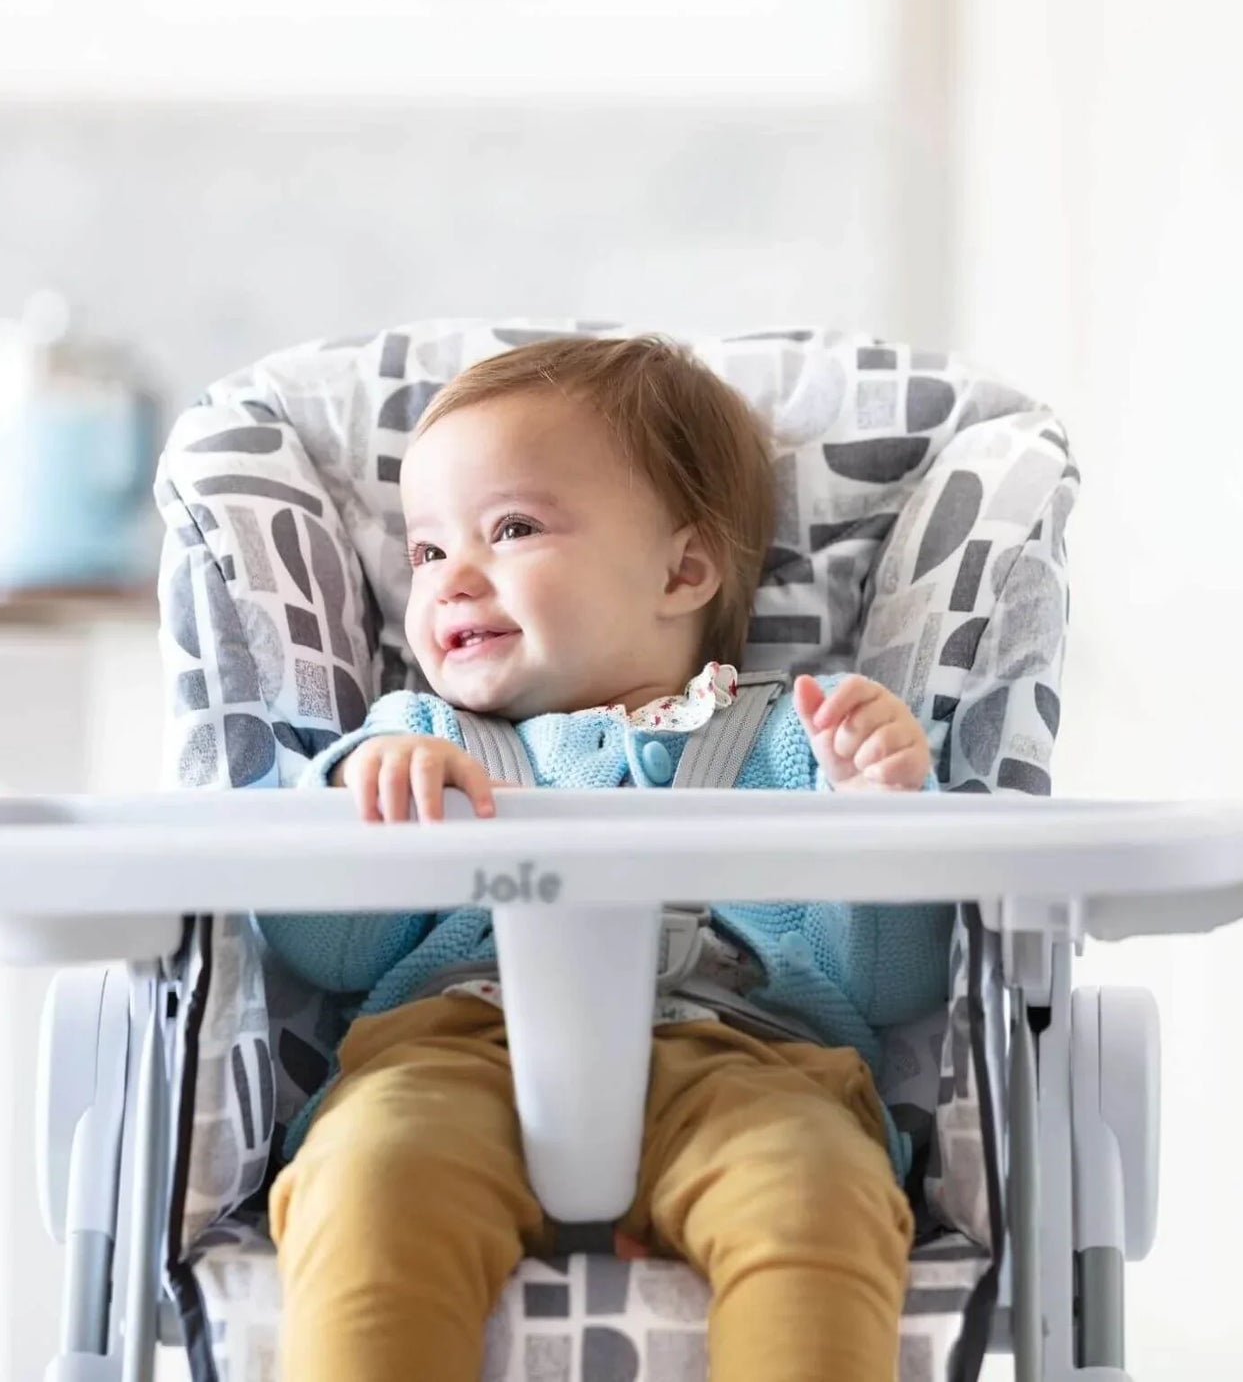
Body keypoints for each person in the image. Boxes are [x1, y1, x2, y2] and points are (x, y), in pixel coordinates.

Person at [261, 336, 952, 1382]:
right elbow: (325, 954)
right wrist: (366, 793)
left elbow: (889, 985)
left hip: (745, 1061)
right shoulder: (417, 736)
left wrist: (876, 818)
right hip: (455, 1050)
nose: (452, 580)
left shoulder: (795, 739)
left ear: (681, 571)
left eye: (512, 528)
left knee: (814, 1186)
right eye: (427, 551)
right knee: (371, 1170)